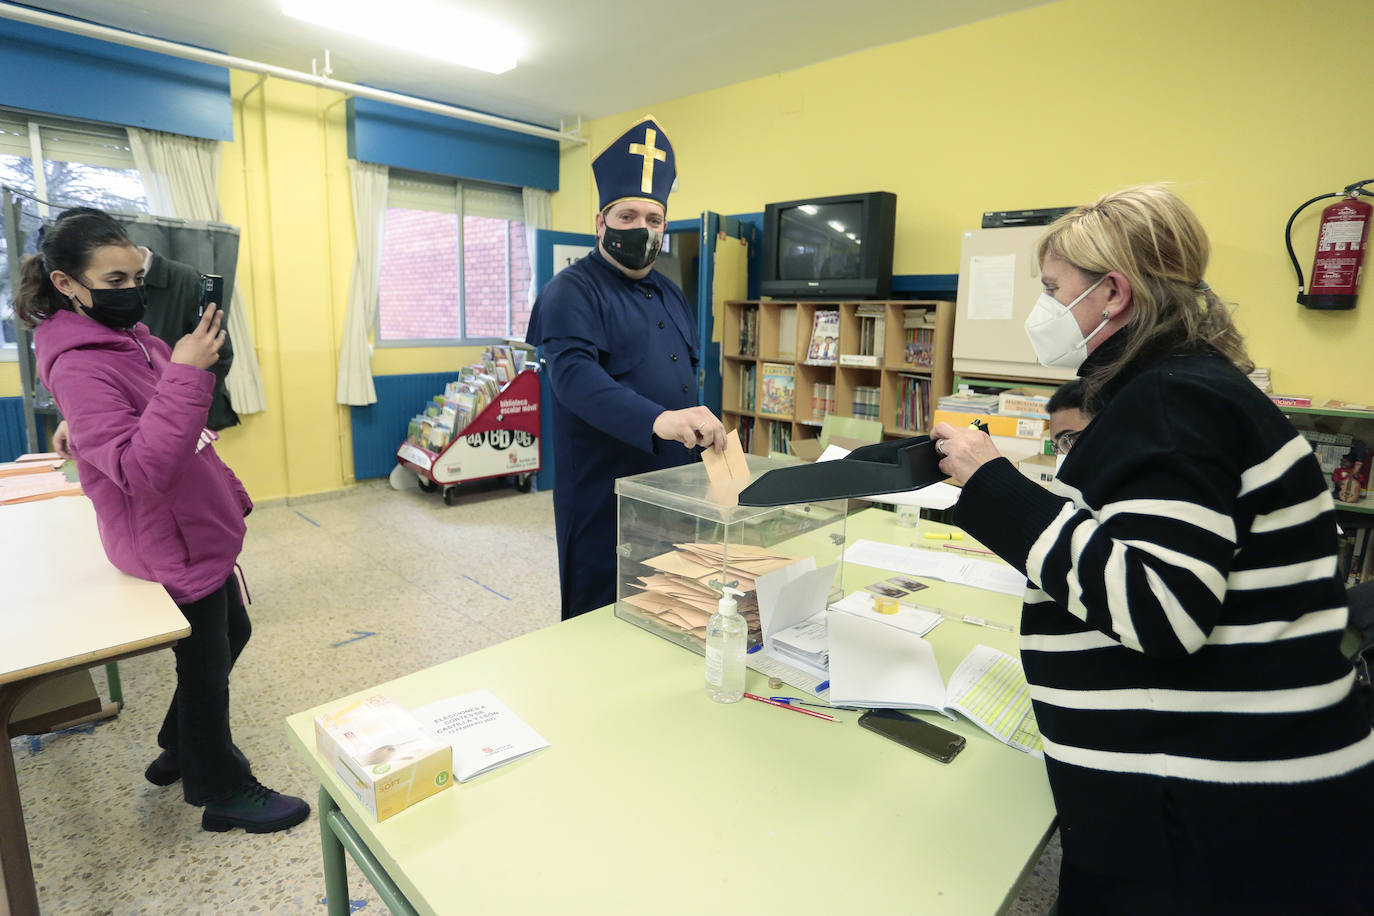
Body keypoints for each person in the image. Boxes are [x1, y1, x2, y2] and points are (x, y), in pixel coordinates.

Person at [929, 185, 1374, 914]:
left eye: (1052, 290)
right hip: (1217, 791)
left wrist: (995, 486)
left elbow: (1162, 609)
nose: (1042, 310)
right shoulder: (1188, 388)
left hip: (1209, 814)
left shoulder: (1170, 402)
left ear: (1112, 294)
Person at [17, 208, 308, 834]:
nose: (132, 291)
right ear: (67, 283)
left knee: (232, 632)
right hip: (164, 537)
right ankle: (220, 789)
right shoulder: (78, 360)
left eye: (136, 275)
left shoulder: (130, 338)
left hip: (193, 526)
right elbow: (139, 466)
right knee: (204, 670)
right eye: (114, 281)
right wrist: (186, 371)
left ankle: (178, 746)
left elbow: (128, 415)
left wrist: (91, 416)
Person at [526, 116, 725, 620]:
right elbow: (573, 377)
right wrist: (658, 421)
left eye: (654, 219)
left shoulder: (672, 292)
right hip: (603, 501)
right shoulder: (570, 291)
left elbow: (685, 378)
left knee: (672, 615)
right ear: (601, 223)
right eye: (627, 217)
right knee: (602, 624)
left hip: (676, 496)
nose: (642, 229)